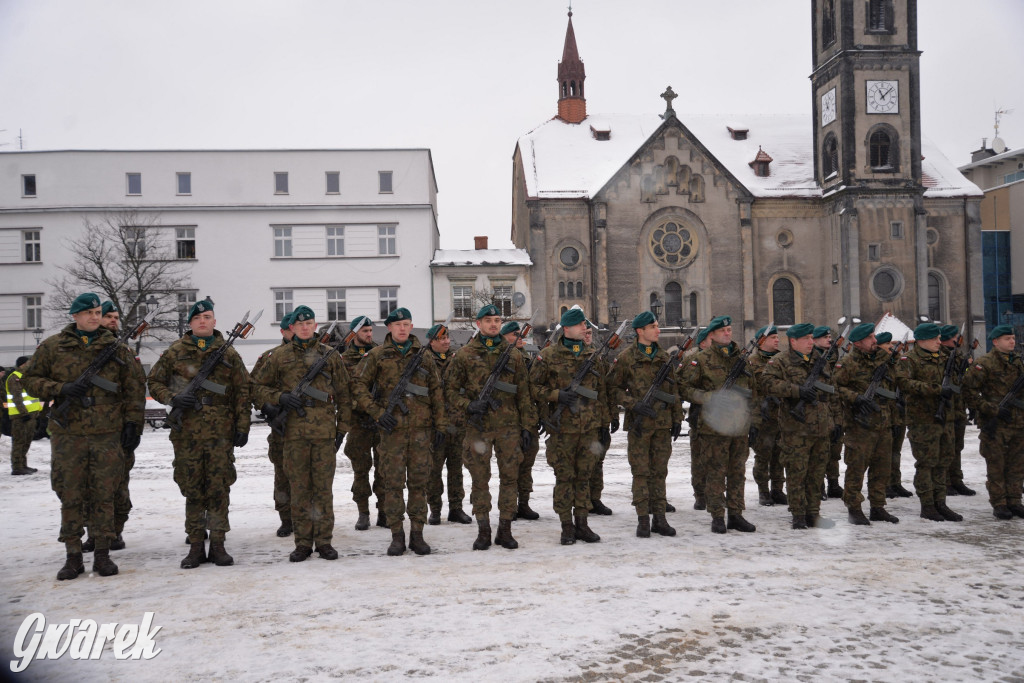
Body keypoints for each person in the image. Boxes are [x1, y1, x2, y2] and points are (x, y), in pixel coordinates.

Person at [20, 292, 145, 580]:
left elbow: (134, 389)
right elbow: (27, 380)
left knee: (104, 494)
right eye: (87, 312)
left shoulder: (116, 348)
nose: (94, 317)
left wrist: (132, 425)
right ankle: (73, 556)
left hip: (106, 434)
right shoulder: (53, 347)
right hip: (69, 435)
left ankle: (102, 554)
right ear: (74, 316)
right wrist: (60, 388)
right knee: (70, 494)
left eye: (98, 312)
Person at [148, 299, 252, 568]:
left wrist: (242, 426)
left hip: (220, 431)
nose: (203, 321)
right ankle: (196, 544)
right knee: (193, 488)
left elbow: (242, 392)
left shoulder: (228, 354)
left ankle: (218, 544)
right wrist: (173, 398)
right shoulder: (175, 351)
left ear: (215, 321)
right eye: (197, 318)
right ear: (190, 323)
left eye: (207, 316)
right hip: (188, 431)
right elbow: (154, 381)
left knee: (219, 488)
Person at [252, 305, 351, 561]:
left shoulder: (329, 356)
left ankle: (325, 542)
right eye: (300, 324)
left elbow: (345, 395)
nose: (305, 327)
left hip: (324, 433)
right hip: (293, 434)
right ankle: (303, 543)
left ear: (314, 326)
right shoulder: (278, 356)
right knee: (299, 490)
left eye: (310, 323)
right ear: (292, 328)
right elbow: (256, 388)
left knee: (323, 490)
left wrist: (342, 430)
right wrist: (280, 397)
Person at [350, 308, 448, 556]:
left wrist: (440, 425)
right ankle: (396, 535)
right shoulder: (377, 356)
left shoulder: (424, 357)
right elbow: (358, 385)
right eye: (398, 324)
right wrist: (377, 412)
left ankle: (417, 534)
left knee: (419, 485)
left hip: (421, 432)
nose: (403, 329)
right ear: (390, 328)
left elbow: (436, 391)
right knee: (393, 485)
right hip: (391, 432)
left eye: (407, 324)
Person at [444, 305, 536, 549]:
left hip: (509, 427)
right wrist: (469, 405)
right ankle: (483, 529)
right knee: (479, 480)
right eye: (488, 321)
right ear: (478, 324)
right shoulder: (464, 355)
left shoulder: (514, 355)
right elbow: (449, 391)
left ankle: (504, 529)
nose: (494, 324)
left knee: (510, 479)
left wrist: (527, 427)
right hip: (478, 427)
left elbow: (524, 394)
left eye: (497, 320)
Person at [530, 307, 610, 545]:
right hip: (562, 430)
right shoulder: (549, 356)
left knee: (584, 477)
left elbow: (601, 393)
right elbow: (532, 388)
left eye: (585, 324)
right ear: (566, 328)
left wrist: (604, 423)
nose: (585, 327)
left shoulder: (593, 356)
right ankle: (566, 526)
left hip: (589, 429)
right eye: (580, 324)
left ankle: (582, 524)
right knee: (565, 478)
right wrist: (556, 395)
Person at [606, 311, 683, 538]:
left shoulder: (663, 358)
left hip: (662, 424)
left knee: (659, 472)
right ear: (640, 331)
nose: (658, 330)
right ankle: (642, 519)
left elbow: (674, 391)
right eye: (653, 326)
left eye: (657, 326)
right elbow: (612, 388)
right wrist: (633, 404)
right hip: (640, 425)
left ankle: (660, 518)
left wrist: (677, 418)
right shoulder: (627, 358)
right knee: (641, 472)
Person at [679, 316, 759, 534]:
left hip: (739, 425)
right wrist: (709, 397)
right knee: (715, 471)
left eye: (730, 329)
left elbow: (754, 392)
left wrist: (753, 421)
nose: (727, 333)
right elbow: (684, 387)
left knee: (737, 471)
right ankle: (717, 515)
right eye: (722, 330)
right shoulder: (701, 360)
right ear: (711, 335)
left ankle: (736, 514)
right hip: (713, 427)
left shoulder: (742, 360)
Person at [762, 323, 836, 530]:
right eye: (806, 339)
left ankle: (814, 513)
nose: (811, 342)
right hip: (796, 429)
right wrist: (796, 391)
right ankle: (798, 515)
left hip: (821, 427)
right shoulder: (780, 361)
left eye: (812, 338)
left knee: (816, 473)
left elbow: (832, 393)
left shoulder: (820, 362)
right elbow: (766, 383)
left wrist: (835, 421)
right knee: (796, 474)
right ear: (793, 341)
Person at [894, 323, 963, 522]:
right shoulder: (909, 359)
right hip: (922, 420)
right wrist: (936, 390)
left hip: (945, 419)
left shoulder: (944, 357)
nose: (939, 342)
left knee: (943, 462)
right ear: (922, 340)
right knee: (926, 463)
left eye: (939, 338)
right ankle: (927, 505)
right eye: (935, 339)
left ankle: (940, 502)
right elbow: (904, 383)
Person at [832, 323, 900, 525]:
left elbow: (895, 384)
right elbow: (835, 387)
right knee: (856, 468)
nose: (875, 340)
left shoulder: (883, 359)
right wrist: (856, 398)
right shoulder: (849, 363)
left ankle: (878, 507)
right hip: (859, 426)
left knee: (882, 469)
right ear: (859, 343)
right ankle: (854, 508)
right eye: (870, 338)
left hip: (883, 422)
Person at [962, 325, 1024, 520]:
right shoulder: (984, 363)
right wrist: (992, 409)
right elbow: (969, 392)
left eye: (1013, 338)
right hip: (995, 424)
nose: (1012, 342)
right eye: (1007, 339)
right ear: (995, 342)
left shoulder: (1019, 363)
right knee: (996, 465)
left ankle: (1015, 501)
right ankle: (999, 503)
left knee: (1017, 465)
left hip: (1018, 423)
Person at [339, 315, 386, 530]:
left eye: (370, 331)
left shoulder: (380, 354)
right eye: (365, 331)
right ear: (355, 333)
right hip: (358, 423)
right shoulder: (343, 360)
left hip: (381, 421)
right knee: (361, 469)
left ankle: (384, 511)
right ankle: (363, 512)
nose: (369, 334)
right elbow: (342, 392)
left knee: (384, 469)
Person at [251, 311, 296, 537]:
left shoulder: (315, 355)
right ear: (283, 332)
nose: (295, 332)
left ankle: (308, 516)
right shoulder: (269, 357)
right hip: (280, 426)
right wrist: (267, 407)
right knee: (282, 475)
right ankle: (286, 518)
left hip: (307, 426)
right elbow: (253, 387)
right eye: (290, 329)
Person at [427, 322, 472, 526]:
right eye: (441, 339)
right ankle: (435, 510)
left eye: (447, 338)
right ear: (432, 341)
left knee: (456, 468)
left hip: (457, 422)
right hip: (434, 425)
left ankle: (456, 508)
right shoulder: (423, 360)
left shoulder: (457, 358)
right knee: (434, 470)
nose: (446, 342)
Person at [501, 321, 542, 520]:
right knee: (510, 465)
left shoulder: (527, 358)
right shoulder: (501, 358)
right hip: (507, 419)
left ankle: (523, 503)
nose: (520, 337)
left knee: (527, 462)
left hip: (528, 417)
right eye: (514, 334)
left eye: (520, 334)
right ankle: (509, 506)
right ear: (505, 337)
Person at [748, 324, 786, 506]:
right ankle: (763, 491)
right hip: (762, 417)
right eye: (773, 338)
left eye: (777, 337)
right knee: (763, 455)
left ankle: (778, 490)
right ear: (762, 341)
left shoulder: (782, 360)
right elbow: (750, 391)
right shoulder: (752, 362)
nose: (777, 340)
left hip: (781, 415)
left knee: (780, 455)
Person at [586, 321, 620, 516]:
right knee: (583, 462)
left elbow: (608, 390)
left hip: (600, 418)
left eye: (590, 332)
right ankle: (581, 500)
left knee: (598, 461)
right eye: (585, 332)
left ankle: (595, 498)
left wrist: (613, 415)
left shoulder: (599, 358)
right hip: (579, 420)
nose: (587, 335)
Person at [939, 324, 977, 497]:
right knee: (946, 447)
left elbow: (966, 381)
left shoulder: (959, 356)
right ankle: (945, 481)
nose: (958, 340)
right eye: (955, 337)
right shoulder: (940, 357)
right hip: (946, 407)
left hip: (959, 407)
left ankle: (956, 479)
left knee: (957, 446)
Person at [879, 332, 913, 499]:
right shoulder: (878, 363)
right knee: (885, 452)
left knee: (896, 451)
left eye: (891, 345)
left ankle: (895, 482)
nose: (891, 347)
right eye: (887, 345)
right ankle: (884, 485)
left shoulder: (897, 362)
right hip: (885, 413)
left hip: (899, 412)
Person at [681, 327, 711, 510]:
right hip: (700, 416)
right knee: (699, 458)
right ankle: (700, 494)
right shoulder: (692, 361)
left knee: (717, 459)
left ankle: (715, 492)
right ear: (702, 343)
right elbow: (683, 386)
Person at [813, 326, 844, 499]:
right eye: (825, 337)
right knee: (821, 450)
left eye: (830, 337)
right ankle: (819, 486)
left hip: (834, 405)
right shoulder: (814, 358)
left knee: (835, 449)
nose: (829, 340)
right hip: (819, 408)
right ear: (815, 340)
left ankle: (834, 483)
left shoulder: (831, 356)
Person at [5, 356, 41, 476]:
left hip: (30, 415)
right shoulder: (15, 377)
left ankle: (23, 465)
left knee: (26, 441)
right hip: (21, 416)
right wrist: (23, 413)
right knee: (19, 441)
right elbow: (17, 397)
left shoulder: (26, 377)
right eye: (28, 363)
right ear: (22, 365)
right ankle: (17, 467)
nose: (30, 364)